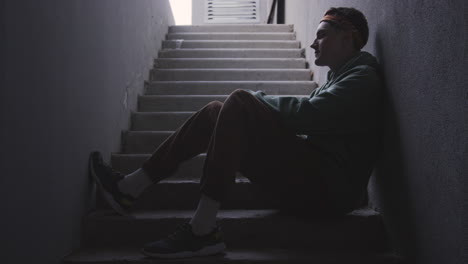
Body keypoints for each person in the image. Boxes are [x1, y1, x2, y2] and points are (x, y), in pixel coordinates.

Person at [89, 6, 383, 259]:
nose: (313, 43)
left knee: (241, 101)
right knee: (219, 111)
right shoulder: (339, 79)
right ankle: (130, 188)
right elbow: (311, 116)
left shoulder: (362, 78)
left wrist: (256, 102)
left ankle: (201, 230)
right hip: (311, 181)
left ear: (348, 38)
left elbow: (309, 114)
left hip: (328, 193)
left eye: (322, 34)